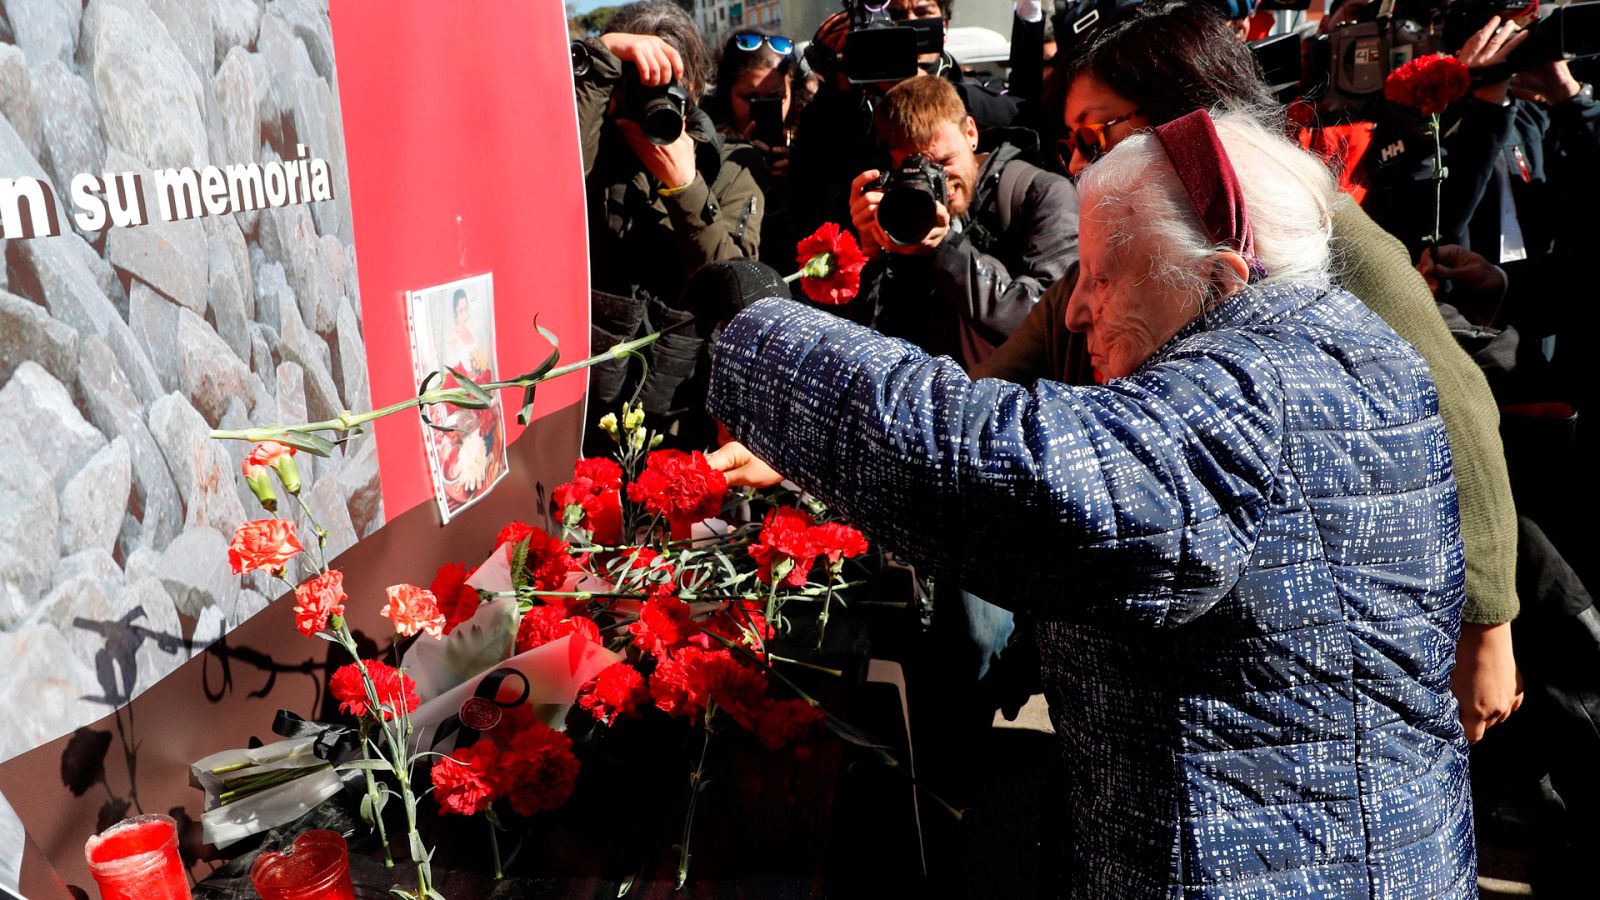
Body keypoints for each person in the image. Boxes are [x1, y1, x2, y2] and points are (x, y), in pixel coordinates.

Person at [706, 108, 1475, 897]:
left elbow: (1013, 475)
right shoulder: (1343, 349)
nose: (1076, 311)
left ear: (1221, 277)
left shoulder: (1256, 389)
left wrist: (758, 330)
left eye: (1103, 277)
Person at [995, 0, 1523, 744]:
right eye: (1070, 143)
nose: (1077, 165)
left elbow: (1458, 408)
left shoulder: (1315, 225)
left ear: (1185, 107)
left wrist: (1487, 628)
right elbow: (1002, 390)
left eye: (1096, 134)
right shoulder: (1129, 243)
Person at [573, 0, 762, 451]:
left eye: (669, 86)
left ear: (694, 89)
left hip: (682, 425)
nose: (651, 97)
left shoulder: (733, 166)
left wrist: (686, 188)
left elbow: (740, 290)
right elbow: (544, 193)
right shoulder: (590, 154)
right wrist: (601, 58)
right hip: (585, 423)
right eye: (637, 82)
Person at [846, 76, 1078, 369]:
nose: (940, 180)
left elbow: (1049, 320)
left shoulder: (1041, 193)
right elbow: (876, 349)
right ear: (895, 163)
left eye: (944, 162)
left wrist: (946, 249)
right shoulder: (905, 211)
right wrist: (873, 254)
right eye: (919, 169)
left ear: (970, 132)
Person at [705, 27, 801, 272]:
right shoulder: (704, 145)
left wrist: (797, 178)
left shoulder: (809, 140)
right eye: (750, 97)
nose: (763, 107)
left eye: (777, 97)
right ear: (727, 92)